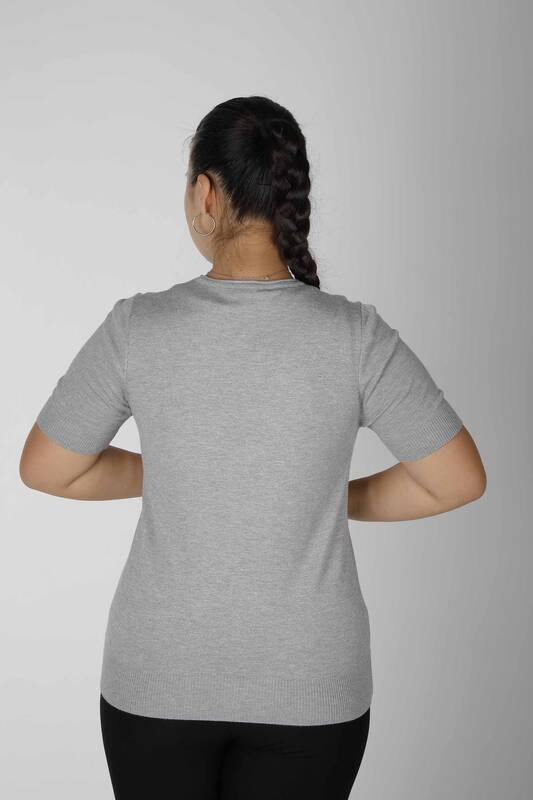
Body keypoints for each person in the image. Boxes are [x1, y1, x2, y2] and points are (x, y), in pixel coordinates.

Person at [19, 95, 486, 800]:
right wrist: (329, 495)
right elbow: (456, 480)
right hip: (311, 689)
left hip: (159, 681)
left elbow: (49, 468)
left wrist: (175, 471)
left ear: (205, 193)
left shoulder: (139, 328)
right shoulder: (355, 336)